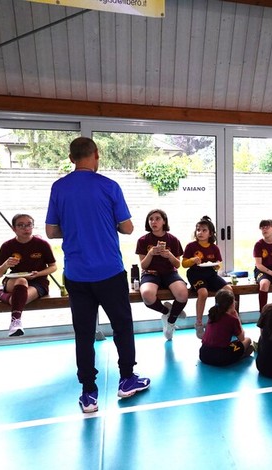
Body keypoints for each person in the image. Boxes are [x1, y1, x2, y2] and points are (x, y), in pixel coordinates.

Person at [45, 136, 150, 414]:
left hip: (76, 274)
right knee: (122, 326)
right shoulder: (109, 186)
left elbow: (51, 231)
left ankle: (88, 393)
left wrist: (76, 227)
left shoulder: (59, 187)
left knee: (83, 332)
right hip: (109, 272)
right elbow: (127, 228)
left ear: (71, 158)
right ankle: (127, 379)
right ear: (96, 155)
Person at [0, 213, 57, 337]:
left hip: (37, 281)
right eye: (21, 225)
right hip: (14, 281)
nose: (26, 228)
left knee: (20, 300)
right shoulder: (7, 246)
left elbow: (53, 266)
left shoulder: (42, 244)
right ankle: (15, 322)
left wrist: (39, 274)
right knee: (21, 281)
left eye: (29, 225)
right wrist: (6, 264)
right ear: (14, 228)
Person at [136, 209, 188, 341]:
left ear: (164, 221)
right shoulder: (143, 240)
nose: (154, 221)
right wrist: (150, 254)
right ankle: (167, 311)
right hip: (150, 273)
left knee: (183, 294)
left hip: (170, 272)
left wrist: (169, 255)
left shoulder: (173, 240)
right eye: (151, 219)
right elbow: (143, 266)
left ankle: (171, 321)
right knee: (147, 295)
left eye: (157, 218)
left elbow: (177, 264)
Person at [182, 216, 232, 339]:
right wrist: (192, 260)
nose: (200, 232)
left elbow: (218, 263)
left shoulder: (214, 247)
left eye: (204, 230)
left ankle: (223, 318)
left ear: (210, 233)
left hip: (210, 274)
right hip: (195, 274)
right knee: (203, 293)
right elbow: (184, 264)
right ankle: (199, 323)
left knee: (228, 290)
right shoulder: (191, 246)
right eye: (198, 230)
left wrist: (216, 266)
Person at [199, 289, 254, 366]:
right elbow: (242, 338)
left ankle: (240, 354)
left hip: (203, 354)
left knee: (232, 344)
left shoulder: (212, 315)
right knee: (248, 340)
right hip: (221, 357)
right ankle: (240, 355)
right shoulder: (232, 319)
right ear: (232, 304)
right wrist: (237, 317)